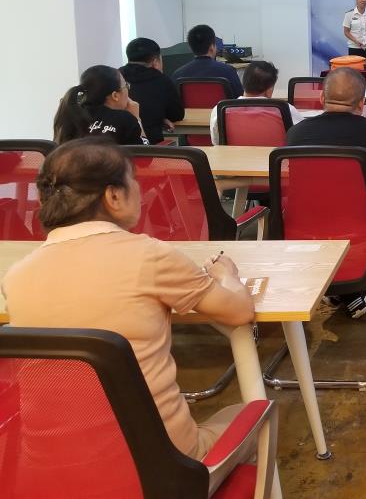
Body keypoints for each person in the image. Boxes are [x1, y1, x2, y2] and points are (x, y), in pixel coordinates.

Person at [1, 139, 255, 459]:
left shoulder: (18, 276)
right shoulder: (151, 257)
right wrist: (227, 275)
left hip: (50, 467)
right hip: (160, 466)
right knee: (253, 415)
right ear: (114, 196)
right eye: (133, 180)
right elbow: (239, 312)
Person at [286, 68, 366, 318]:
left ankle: (343, 293)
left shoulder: (296, 133)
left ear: (322, 98)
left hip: (303, 232)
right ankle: (350, 293)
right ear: (362, 103)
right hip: (362, 232)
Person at [209, 60, 304, 145]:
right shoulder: (286, 110)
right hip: (274, 159)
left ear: (243, 83)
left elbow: (217, 142)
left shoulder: (219, 110)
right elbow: (300, 139)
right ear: (270, 89)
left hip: (235, 159)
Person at [53, 65, 149, 146]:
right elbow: (145, 156)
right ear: (115, 95)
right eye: (126, 86)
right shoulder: (125, 119)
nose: (128, 90)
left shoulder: (73, 114)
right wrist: (137, 118)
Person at [120, 37, 185, 145]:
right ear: (155, 61)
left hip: (118, 145)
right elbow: (177, 115)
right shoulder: (161, 80)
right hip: (151, 148)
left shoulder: (116, 77)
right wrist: (160, 116)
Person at [172, 24, 244, 97]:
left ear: (190, 48)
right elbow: (239, 99)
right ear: (212, 47)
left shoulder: (177, 75)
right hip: (219, 105)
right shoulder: (228, 71)